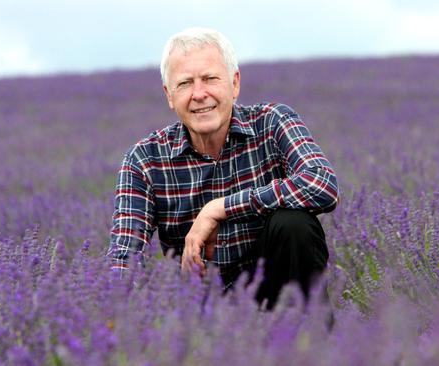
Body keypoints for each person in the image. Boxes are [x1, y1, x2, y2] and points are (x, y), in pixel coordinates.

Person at [107, 27, 339, 309]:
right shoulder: (145, 160)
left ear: (235, 83)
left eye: (210, 79)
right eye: (184, 84)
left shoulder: (272, 123)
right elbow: (126, 254)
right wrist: (115, 317)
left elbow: (322, 183)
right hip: (200, 312)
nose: (199, 94)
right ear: (169, 95)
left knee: (294, 224)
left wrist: (222, 208)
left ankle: (312, 344)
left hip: (280, 297)